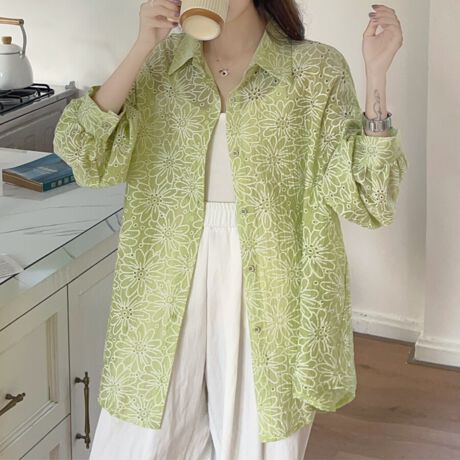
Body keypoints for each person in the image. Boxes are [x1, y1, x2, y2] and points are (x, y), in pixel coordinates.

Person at [53, 1, 407, 459]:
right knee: (134, 444)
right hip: (162, 279)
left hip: (272, 290)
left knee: (257, 445)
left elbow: (368, 199)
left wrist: (377, 74)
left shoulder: (315, 69)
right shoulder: (159, 63)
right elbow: (84, 153)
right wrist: (143, 45)